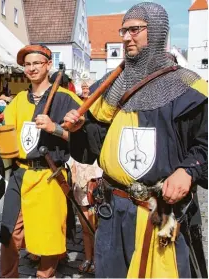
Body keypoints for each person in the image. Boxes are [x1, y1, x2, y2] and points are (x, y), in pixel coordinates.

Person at [64, 3, 207, 278]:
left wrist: (188, 170)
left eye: (135, 30)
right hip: (113, 207)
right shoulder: (110, 86)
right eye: (124, 30)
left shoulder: (189, 87)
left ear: (155, 32)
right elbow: (92, 148)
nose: (127, 37)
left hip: (162, 209)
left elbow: (205, 143)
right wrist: (81, 129)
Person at [0, 44, 83, 278]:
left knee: (49, 235)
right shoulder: (18, 101)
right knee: (9, 233)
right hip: (20, 174)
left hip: (50, 175)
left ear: (48, 65)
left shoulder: (67, 99)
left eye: (37, 63)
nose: (32, 68)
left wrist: (55, 128)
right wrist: (2, 144)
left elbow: (82, 140)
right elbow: (8, 134)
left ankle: (45, 275)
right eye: (27, 64)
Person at [67, 157, 101, 273]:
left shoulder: (96, 151)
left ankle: (96, 260)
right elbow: (73, 169)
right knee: (85, 229)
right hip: (80, 194)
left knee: (94, 229)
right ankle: (87, 258)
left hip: (93, 194)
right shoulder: (77, 152)